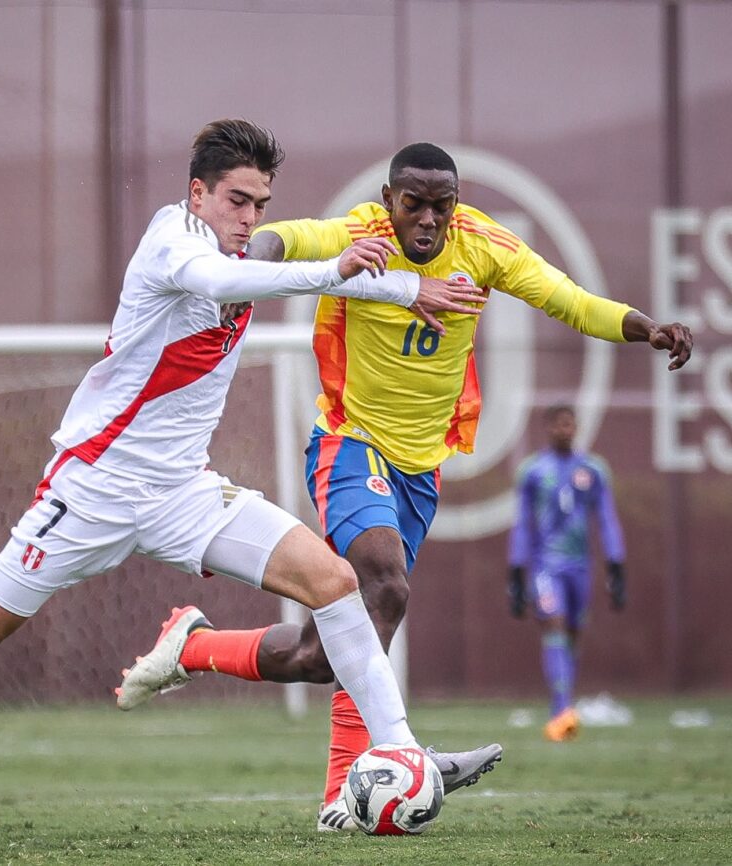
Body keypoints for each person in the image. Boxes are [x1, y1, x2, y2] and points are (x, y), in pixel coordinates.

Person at [0, 120, 491, 821]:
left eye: (260, 205)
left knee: (335, 584)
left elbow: (264, 277)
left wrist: (403, 291)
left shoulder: (240, 254)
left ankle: (400, 754)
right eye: (236, 201)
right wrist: (355, 275)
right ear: (198, 193)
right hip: (93, 489)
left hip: (184, 493)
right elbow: (223, 279)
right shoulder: (171, 242)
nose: (249, 218)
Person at [118, 142, 694, 832]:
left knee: (329, 652)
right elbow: (284, 236)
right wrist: (239, 268)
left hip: (420, 471)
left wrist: (647, 329)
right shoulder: (360, 235)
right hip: (348, 444)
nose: (426, 220)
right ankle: (359, 780)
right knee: (384, 586)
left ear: (456, 207)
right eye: (412, 204)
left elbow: (570, 301)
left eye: (440, 207)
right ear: (390, 200)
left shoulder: (484, 246)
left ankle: (197, 645)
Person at [507, 404, 627, 742]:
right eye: (559, 424)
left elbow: (606, 519)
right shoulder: (533, 471)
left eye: (570, 424)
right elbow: (523, 525)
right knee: (555, 625)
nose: (565, 430)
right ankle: (561, 711)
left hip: (580, 566)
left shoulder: (593, 470)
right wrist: (516, 571)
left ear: (577, 428)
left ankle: (563, 703)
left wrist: (616, 564)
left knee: (572, 633)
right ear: (548, 429)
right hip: (546, 566)